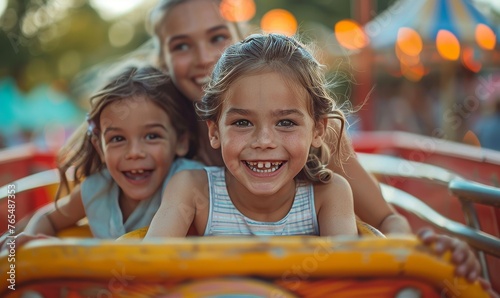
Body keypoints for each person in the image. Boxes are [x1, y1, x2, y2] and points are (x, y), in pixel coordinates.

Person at [146, 0, 485, 283]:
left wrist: (419, 257)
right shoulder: (145, 129)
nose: (205, 56)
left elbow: (380, 225)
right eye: (182, 45)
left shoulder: (324, 173)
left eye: (217, 37)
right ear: (213, 129)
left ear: (238, 38)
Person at [146, 33, 357, 237]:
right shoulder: (193, 189)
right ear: (214, 131)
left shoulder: (328, 194)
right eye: (242, 122)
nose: (263, 141)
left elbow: (343, 270)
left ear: (318, 130)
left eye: (286, 123)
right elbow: (151, 264)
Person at [5, 64, 204, 243]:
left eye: (152, 136)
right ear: (100, 148)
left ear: (180, 141)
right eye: (117, 139)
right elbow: (47, 217)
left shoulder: (190, 181)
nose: (134, 153)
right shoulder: (97, 189)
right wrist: (32, 240)